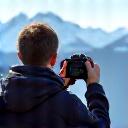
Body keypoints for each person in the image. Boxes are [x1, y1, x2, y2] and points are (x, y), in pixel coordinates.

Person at [0, 23, 110, 128]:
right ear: (54, 59)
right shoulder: (67, 103)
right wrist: (94, 86)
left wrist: (59, 86)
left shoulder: (3, 93)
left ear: (19, 56)